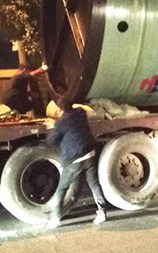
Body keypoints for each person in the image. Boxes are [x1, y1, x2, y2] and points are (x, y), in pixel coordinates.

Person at [45, 97, 107, 228]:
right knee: (94, 184)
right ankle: (102, 212)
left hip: (75, 158)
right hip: (89, 153)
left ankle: (56, 218)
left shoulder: (61, 122)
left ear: (59, 109)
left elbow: (51, 141)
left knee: (62, 188)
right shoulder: (80, 113)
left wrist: (52, 127)